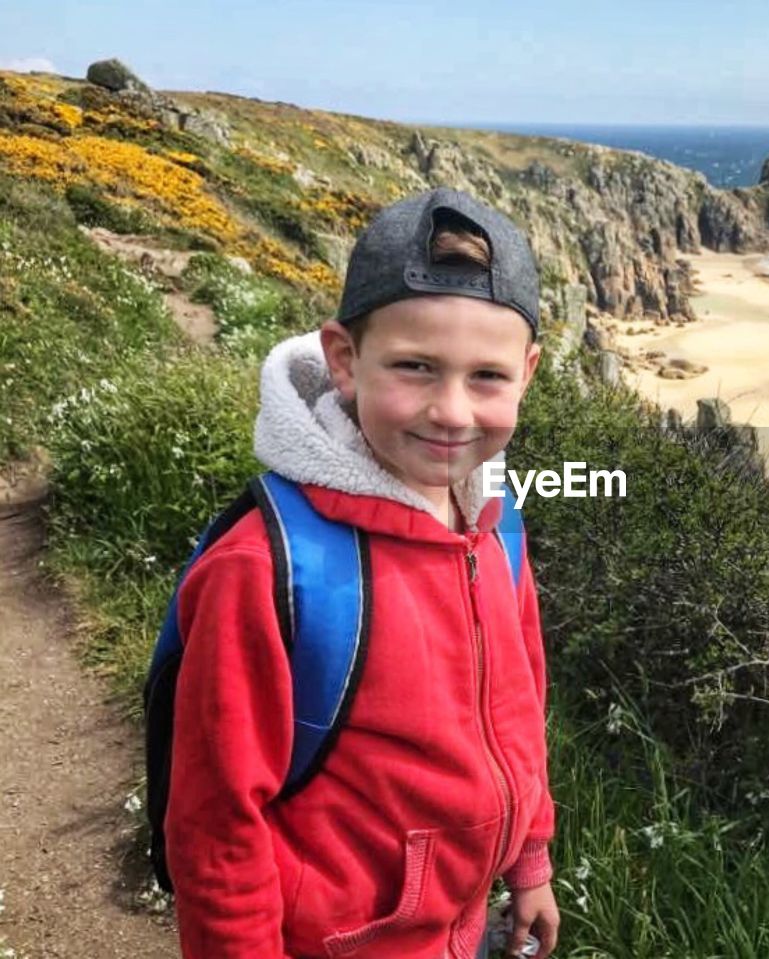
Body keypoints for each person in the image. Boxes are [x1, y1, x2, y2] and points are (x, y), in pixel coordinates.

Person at [163, 187, 559, 959]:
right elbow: (215, 829)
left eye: (487, 376)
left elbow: (519, 706)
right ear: (344, 360)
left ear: (528, 373)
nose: (451, 410)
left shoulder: (495, 523)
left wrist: (531, 861)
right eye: (415, 366)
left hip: (472, 925)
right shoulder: (265, 567)